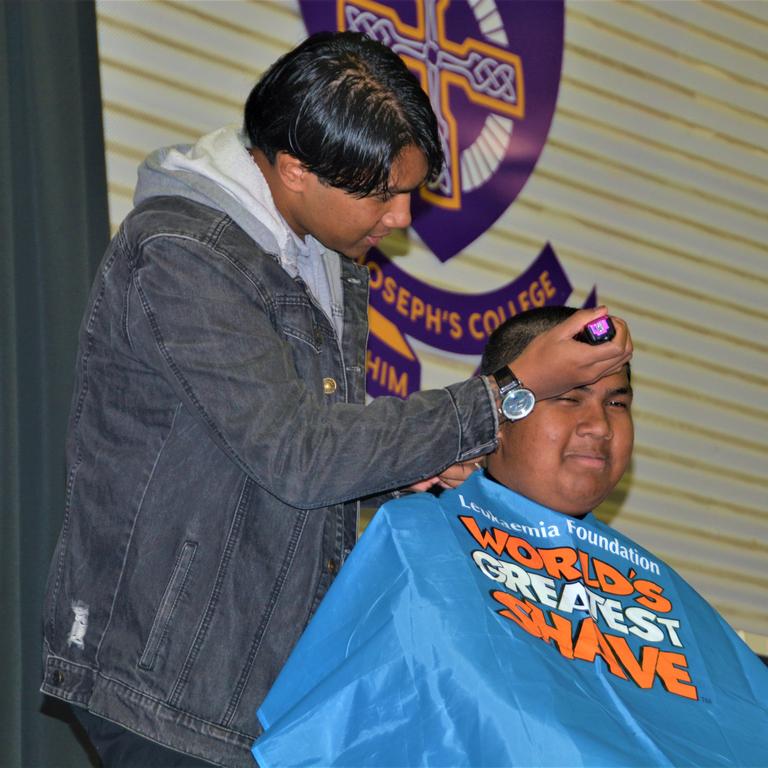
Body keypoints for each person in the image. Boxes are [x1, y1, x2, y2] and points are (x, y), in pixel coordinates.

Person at [41, 32, 631, 767]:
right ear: (294, 169)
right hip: (174, 683)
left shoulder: (321, 261)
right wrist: (505, 393)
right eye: (383, 193)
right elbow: (299, 456)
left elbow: (298, 461)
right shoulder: (182, 255)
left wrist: (409, 467)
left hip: (262, 685)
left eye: (409, 191)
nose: (400, 219)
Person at [251, 306, 768, 768]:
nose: (599, 426)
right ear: (502, 412)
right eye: (568, 397)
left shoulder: (654, 583)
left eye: (617, 404)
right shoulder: (424, 536)